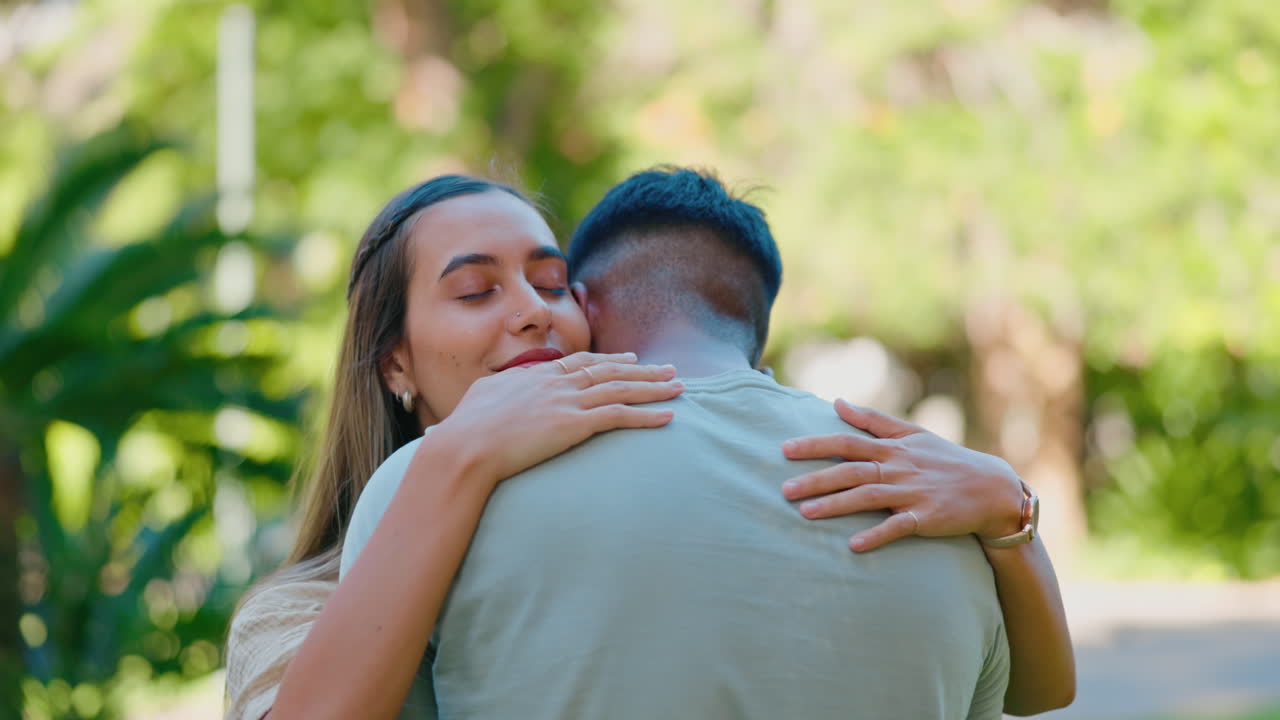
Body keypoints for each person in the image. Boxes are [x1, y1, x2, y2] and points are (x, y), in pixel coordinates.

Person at [225, 173, 1073, 720]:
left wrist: (1009, 507)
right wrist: (457, 456)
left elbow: (1041, 691)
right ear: (395, 362)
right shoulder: (297, 607)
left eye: (552, 286)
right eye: (478, 290)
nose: (530, 310)